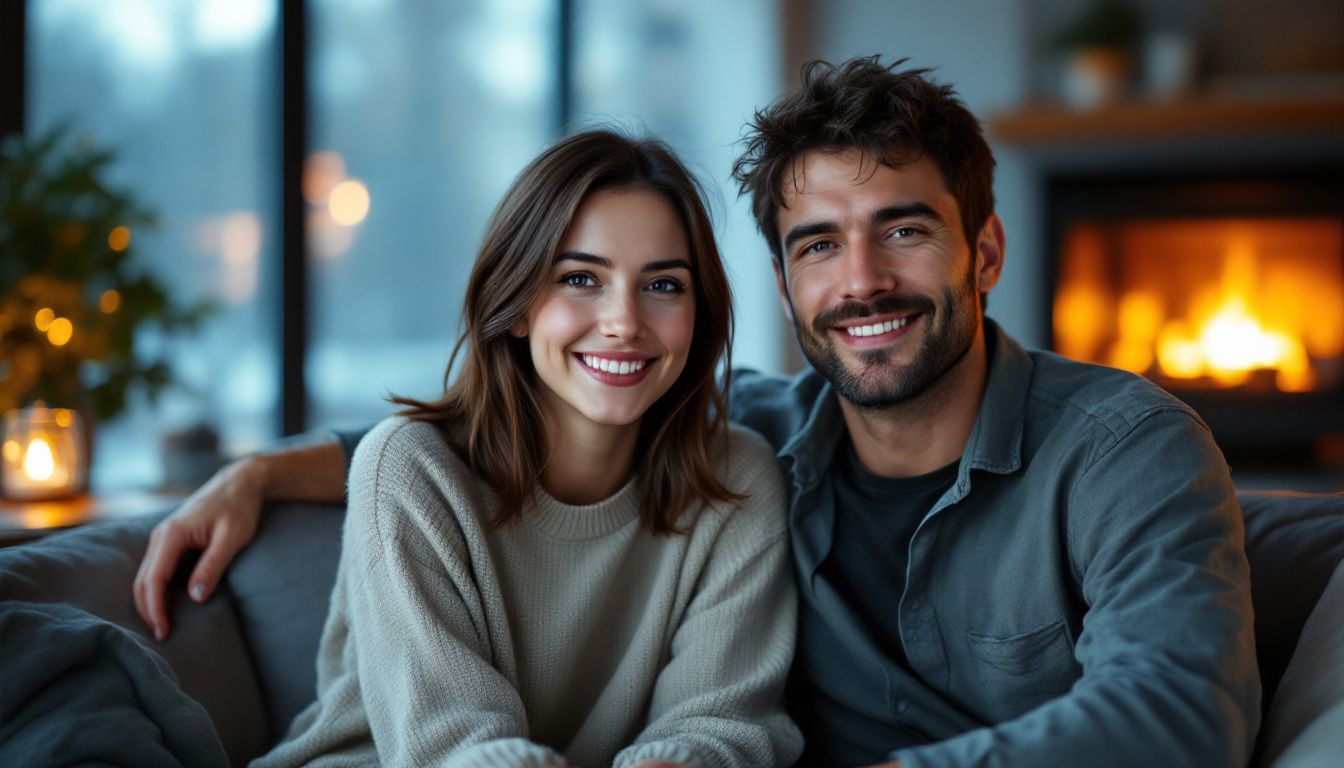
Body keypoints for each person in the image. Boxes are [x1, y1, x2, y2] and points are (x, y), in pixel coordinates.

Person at [136, 58, 1258, 767]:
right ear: (785, 289)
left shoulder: (1121, 449)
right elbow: (466, 442)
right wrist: (265, 473)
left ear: (988, 251)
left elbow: (1178, 715)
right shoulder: (774, 432)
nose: (861, 279)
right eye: (819, 245)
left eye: (905, 229)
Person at [240, 130, 800, 766]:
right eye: (581, 278)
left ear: (700, 312)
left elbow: (723, 723)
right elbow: (451, 748)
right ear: (518, 304)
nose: (624, 321)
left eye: (664, 285)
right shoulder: (409, 468)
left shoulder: (737, 480)